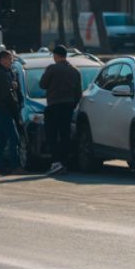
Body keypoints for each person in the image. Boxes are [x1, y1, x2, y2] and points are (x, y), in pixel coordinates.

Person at [39, 44, 83, 176]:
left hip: (53, 106)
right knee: (65, 135)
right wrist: (73, 104)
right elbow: (78, 93)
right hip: (68, 106)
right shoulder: (75, 71)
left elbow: (42, 84)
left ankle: (56, 162)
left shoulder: (52, 69)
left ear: (56, 56)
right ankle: (64, 163)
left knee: (51, 135)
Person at [0, 50, 22, 175]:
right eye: (10, 60)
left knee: (1, 140)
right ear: (3, 60)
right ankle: (15, 166)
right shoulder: (1, 74)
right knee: (14, 138)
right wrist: (15, 108)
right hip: (4, 109)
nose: (11, 62)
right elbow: (7, 94)